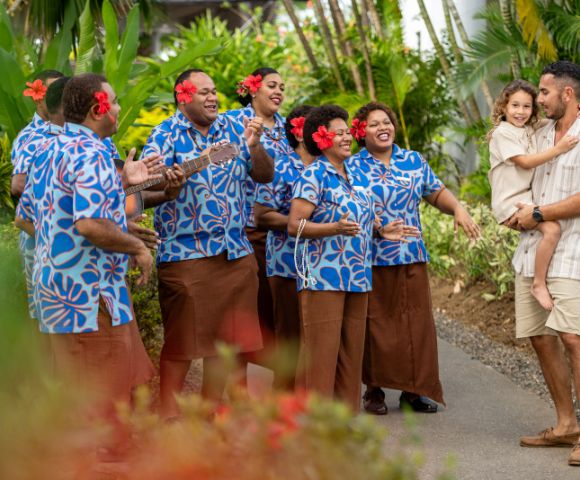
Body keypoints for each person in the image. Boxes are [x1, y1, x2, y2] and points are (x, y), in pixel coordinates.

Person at [14, 73, 162, 420]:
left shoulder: (50, 149)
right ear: (99, 109)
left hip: (57, 292)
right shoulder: (91, 153)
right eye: (116, 101)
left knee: (74, 390)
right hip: (88, 297)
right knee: (103, 396)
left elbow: (26, 218)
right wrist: (136, 249)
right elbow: (89, 224)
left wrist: (107, 227)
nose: (121, 108)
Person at [140, 68, 274, 418]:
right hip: (186, 254)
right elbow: (139, 192)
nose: (213, 97)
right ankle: (168, 415)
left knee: (226, 344)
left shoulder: (233, 129)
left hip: (235, 252)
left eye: (214, 91)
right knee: (182, 342)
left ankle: (210, 411)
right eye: (204, 93)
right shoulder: (163, 136)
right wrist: (170, 187)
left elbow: (263, 175)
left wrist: (255, 146)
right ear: (184, 97)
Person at [347, 102, 480, 415]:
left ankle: (413, 391)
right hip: (372, 258)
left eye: (387, 122)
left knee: (415, 323)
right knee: (375, 324)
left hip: (411, 253)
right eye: (374, 124)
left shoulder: (413, 160)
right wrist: (377, 227)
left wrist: (458, 207)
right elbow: (346, 207)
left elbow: (435, 192)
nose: (383, 128)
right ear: (360, 132)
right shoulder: (351, 167)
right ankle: (374, 390)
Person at [288, 104, 391, 411]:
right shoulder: (313, 175)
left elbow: (358, 222)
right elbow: (295, 225)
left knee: (350, 352)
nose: (348, 137)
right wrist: (332, 228)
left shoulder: (355, 175)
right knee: (320, 353)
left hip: (357, 276)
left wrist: (382, 230)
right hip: (322, 277)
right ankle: (311, 424)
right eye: (340, 133)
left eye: (349, 132)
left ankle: (344, 422)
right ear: (322, 139)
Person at [510, 61, 580, 467]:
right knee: (540, 336)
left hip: (572, 253)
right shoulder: (536, 135)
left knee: (574, 338)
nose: (538, 100)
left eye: (544, 92)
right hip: (532, 250)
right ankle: (567, 424)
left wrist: (538, 213)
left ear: (566, 94)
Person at [488, 79, 578, 310]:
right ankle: (538, 283)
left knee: (549, 230)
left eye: (526, 107)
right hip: (510, 202)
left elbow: (557, 118)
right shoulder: (503, 134)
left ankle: (540, 280)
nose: (520, 112)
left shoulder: (528, 129)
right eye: (515, 106)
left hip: (523, 198)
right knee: (552, 229)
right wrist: (558, 149)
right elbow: (526, 162)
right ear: (503, 108)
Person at [227, 67, 290, 369]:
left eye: (282, 87)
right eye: (271, 86)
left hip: (284, 232)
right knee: (244, 315)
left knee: (277, 314)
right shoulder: (229, 122)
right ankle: (238, 389)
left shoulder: (289, 128)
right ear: (253, 89)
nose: (278, 91)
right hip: (246, 232)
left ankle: (282, 389)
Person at [254, 105, 315, 389]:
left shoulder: (331, 167)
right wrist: (303, 224)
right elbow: (262, 215)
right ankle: (284, 404)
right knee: (290, 337)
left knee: (318, 337)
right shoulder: (281, 166)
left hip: (324, 267)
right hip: (287, 264)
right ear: (301, 132)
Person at [11, 76, 70, 321]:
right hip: (40, 238)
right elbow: (19, 186)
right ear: (39, 98)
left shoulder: (88, 135)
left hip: (76, 242)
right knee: (46, 322)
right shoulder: (31, 137)